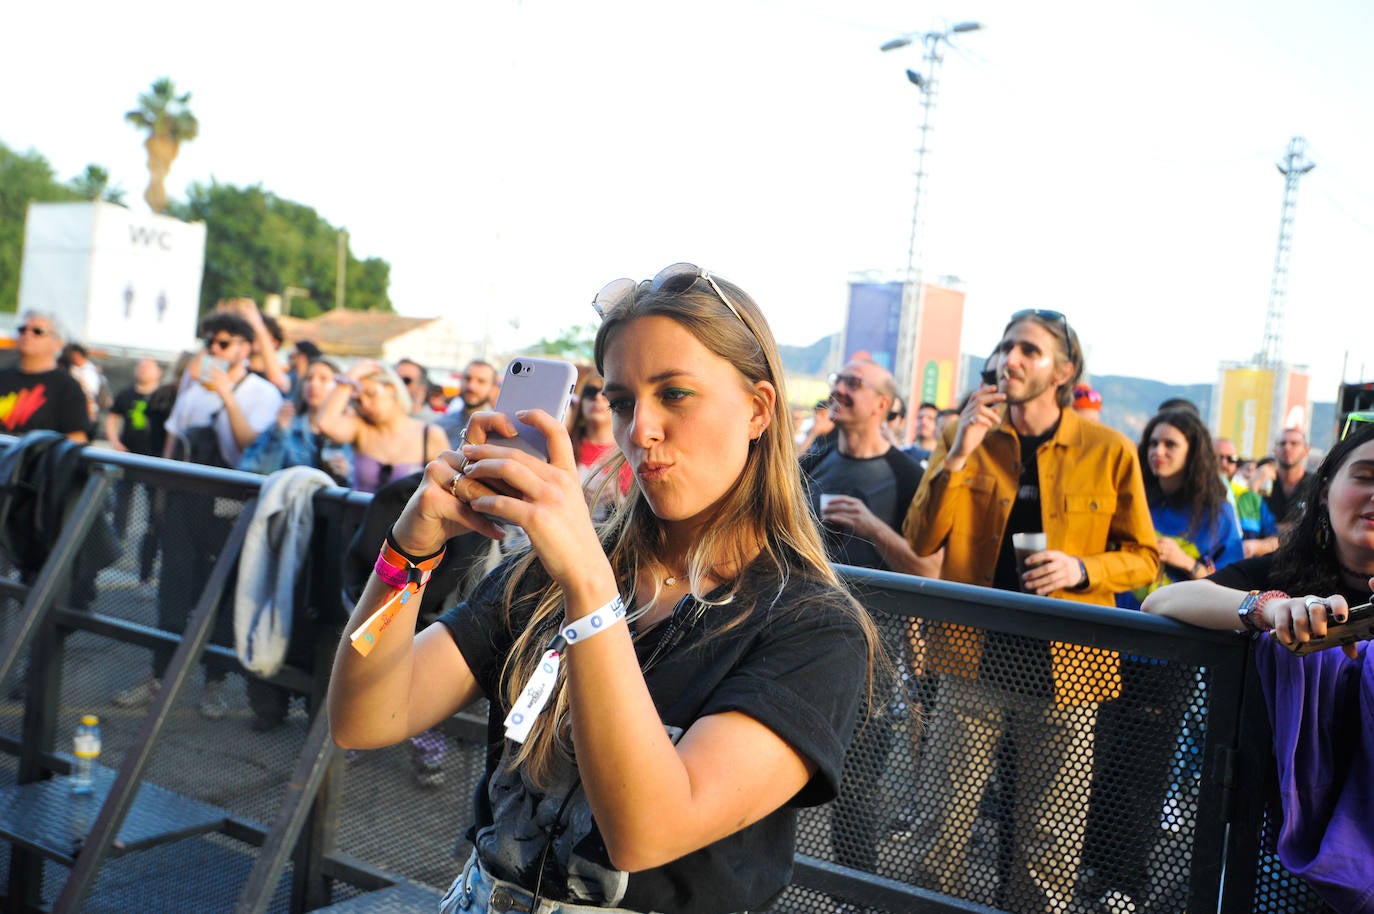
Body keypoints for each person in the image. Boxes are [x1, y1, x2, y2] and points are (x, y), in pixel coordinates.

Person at [328, 262, 877, 914]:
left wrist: (591, 590)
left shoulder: (811, 627)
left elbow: (648, 832)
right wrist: (408, 555)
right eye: (621, 401)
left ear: (758, 410)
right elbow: (365, 716)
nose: (639, 429)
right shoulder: (546, 576)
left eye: (675, 394)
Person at [902, 309, 1159, 914]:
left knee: (1050, 855)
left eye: (1029, 351)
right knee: (939, 837)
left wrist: (1084, 568)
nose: (1008, 360)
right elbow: (919, 540)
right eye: (1004, 347)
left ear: (1064, 371)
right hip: (971, 663)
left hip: (1071, 676)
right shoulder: (964, 436)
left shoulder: (1109, 449)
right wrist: (960, 452)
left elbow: (1145, 557)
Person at [1143, 422, 1374, 914]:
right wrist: (1266, 609)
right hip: (1278, 837)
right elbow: (1162, 599)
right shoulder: (1282, 573)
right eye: (1366, 476)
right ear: (1326, 487)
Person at [1079, 407, 1245, 910]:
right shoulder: (1133, 495)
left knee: (1143, 775)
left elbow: (1236, 580)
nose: (1158, 453)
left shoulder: (1216, 510)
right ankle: (1093, 866)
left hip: (1169, 657)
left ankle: (1128, 882)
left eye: (1170, 444)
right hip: (1110, 645)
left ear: (1192, 451)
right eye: (1153, 443)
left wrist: (1183, 561)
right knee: (1094, 765)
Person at [113, 312, 284, 719]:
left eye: (223, 343)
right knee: (173, 590)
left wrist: (227, 395)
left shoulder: (262, 393)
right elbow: (173, 442)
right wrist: (161, 494)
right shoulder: (192, 391)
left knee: (221, 594)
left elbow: (249, 450)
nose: (214, 350)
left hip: (231, 507)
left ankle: (214, 683)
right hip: (184, 504)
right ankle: (158, 675)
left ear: (245, 348)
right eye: (210, 342)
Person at [805, 359, 933, 576]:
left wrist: (873, 527)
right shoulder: (812, 463)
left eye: (853, 383)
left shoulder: (909, 477)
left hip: (875, 609)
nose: (838, 389)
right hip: (809, 604)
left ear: (882, 405)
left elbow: (930, 571)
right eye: (837, 381)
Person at [317, 359, 447, 494]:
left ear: (392, 388)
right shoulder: (361, 428)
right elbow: (325, 423)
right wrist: (351, 377)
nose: (366, 404)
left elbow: (444, 489)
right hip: (360, 513)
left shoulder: (429, 435)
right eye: (358, 400)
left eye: (371, 394)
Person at [239, 357, 352, 484]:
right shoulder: (285, 425)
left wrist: (347, 473)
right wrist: (279, 434)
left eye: (323, 379)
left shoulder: (351, 432)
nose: (314, 384)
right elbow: (254, 472)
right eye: (309, 379)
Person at [0, 312, 89, 442]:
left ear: (58, 343)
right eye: (22, 329)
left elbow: (77, 439)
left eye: (38, 331)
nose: (27, 335)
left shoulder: (67, 387)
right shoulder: (3, 377)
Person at [105, 357, 164, 536]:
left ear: (158, 372)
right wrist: (115, 442)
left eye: (148, 367)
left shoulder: (163, 395)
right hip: (128, 456)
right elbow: (112, 418)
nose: (143, 370)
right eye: (141, 366)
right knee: (121, 501)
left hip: (155, 459)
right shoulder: (126, 394)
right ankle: (117, 539)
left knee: (155, 503)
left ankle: (152, 539)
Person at [568, 371, 632, 521]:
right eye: (590, 392)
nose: (597, 398)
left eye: (605, 393)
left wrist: (619, 501)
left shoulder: (633, 451)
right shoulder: (562, 446)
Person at [437, 359, 499, 448]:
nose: (471, 386)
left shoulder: (497, 432)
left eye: (481, 381)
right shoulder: (440, 425)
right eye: (467, 378)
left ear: (493, 388)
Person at [1268, 428, 1313, 533]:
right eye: (1282, 443)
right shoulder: (1264, 483)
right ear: (1274, 449)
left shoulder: (1315, 484)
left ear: (1306, 451)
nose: (1287, 447)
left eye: (1294, 443)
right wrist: (1253, 487)